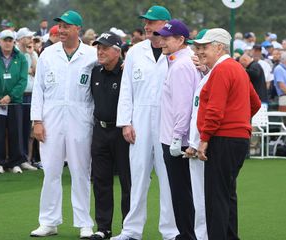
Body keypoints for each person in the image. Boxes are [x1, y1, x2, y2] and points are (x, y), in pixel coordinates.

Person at [112, 5, 178, 240]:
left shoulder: (177, 52)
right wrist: (125, 122)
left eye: (151, 22)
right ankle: (131, 230)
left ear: (165, 24)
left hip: (167, 120)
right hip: (139, 119)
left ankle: (171, 231)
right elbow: (126, 89)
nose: (147, 26)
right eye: (146, 22)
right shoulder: (135, 51)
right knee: (137, 175)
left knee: (168, 177)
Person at [30, 10, 97, 239]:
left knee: (81, 171)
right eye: (60, 26)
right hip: (51, 118)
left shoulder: (91, 55)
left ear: (78, 28)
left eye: (67, 26)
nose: (62, 30)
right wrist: (37, 121)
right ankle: (48, 221)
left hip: (81, 117)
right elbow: (38, 89)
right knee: (51, 170)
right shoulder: (48, 54)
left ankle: (84, 223)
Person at [195, 28, 261, 240]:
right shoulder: (237, 68)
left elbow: (214, 109)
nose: (200, 51)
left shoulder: (222, 70)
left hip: (223, 138)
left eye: (205, 47)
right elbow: (255, 103)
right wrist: (238, 118)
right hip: (237, 138)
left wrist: (204, 139)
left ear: (219, 47)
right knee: (226, 194)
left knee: (217, 197)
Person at [156, 19, 199, 240]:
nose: (161, 41)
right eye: (161, 36)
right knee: (182, 192)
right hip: (177, 138)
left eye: (166, 38)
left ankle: (188, 236)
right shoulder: (177, 62)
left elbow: (183, 107)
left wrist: (175, 138)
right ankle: (187, 234)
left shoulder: (181, 65)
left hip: (177, 141)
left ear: (181, 40)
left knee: (181, 192)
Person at [88, 32, 131, 240]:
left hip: (122, 132)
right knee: (101, 180)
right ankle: (103, 227)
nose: (100, 51)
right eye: (98, 47)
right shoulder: (95, 72)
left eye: (105, 48)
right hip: (100, 131)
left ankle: (128, 228)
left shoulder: (127, 71)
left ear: (117, 51)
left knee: (127, 181)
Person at [0, 30, 28, 174]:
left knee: (15, 131)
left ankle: (15, 162)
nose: (8, 43)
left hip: (14, 101)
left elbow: (23, 80)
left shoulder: (20, 57)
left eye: (10, 40)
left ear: (14, 42)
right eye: (5, 40)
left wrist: (10, 96)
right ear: (0, 41)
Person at [16, 27, 39, 171]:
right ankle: (20, 157)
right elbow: (20, 73)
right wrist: (28, 70)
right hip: (20, 95)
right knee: (18, 128)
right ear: (21, 39)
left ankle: (27, 158)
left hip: (32, 94)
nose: (31, 40)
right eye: (28, 37)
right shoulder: (16, 54)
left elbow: (36, 71)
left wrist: (31, 55)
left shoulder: (33, 53)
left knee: (28, 129)